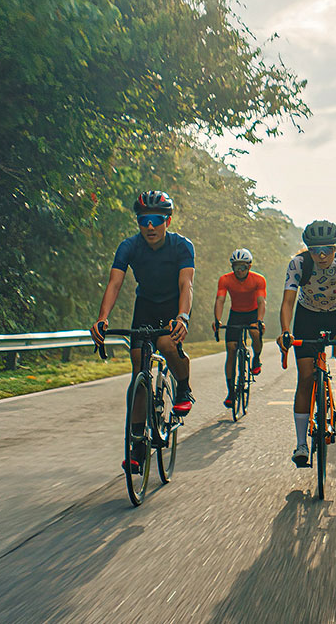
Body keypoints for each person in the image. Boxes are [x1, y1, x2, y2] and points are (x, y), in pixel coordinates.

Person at [91, 190, 195, 475]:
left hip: (173, 306)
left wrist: (182, 317)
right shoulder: (129, 246)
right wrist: (102, 319)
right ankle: (137, 445)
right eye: (143, 220)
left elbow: (187, 284)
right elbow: (114, 283)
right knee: (138, 365)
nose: (149, 226)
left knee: (166, 343)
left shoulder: (182, 246)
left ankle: (183, 387)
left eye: (156, 220)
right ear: (138, 222)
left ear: (168, 221)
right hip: (146, 306)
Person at [278, 220, 336, 467]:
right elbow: (287, 302)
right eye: (315, 250)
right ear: (307, 248)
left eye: (327, 249)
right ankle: (301, 445)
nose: (321, 255)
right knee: (305, 378)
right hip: (307, 315)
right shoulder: (298, 264)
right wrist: (285, 331)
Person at [213, 248, 266, 408]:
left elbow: (262, 302)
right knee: (231, 349)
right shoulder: (225, 280)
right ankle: (231, 392)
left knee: (255, 333)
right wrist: (217, 320)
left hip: (252, 312)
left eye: (243, 267)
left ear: (249, 267)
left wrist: (259, 320)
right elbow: (220, 300)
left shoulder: (258, 280)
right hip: (235, 314)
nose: (239, 271)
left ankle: (256, 358)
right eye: (236, 267)